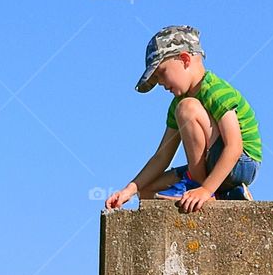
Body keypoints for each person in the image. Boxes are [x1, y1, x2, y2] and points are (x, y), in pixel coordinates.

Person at [104, 25, 262, 213]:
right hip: (208, 167)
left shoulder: (215, 90)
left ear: (185, 59)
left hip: (240, 163)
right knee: (147, 190)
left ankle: (206, 188)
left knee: (187, 108)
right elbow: (162, 156)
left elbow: (234, 147)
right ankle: (228, 194)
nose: (161, 83)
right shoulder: (176, 105)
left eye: (161, 73)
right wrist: (129, 190)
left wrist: (204, 189)